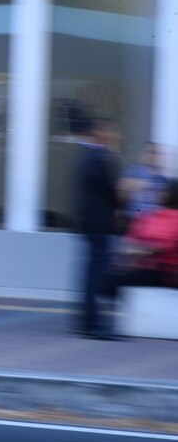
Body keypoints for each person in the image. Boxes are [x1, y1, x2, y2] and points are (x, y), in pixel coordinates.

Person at [74, 117, 122, 340]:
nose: (115, 136)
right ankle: (93, 324)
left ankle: (87, 321)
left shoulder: (85, 158)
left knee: (91, 272)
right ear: (101, 133)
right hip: (99, 223)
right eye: (111, 132)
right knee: (96, 273)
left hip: (90, 223)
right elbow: (110, 192)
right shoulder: (101, 158)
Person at [118, 142, 168, 227]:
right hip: (134, 217)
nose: (153, 156)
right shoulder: (132, 171)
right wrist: (142, 184)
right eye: (150, 152)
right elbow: (121, 191)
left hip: (154, 221)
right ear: (143, 154)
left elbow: (163, 202)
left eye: (156, 153)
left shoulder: (161, 179)